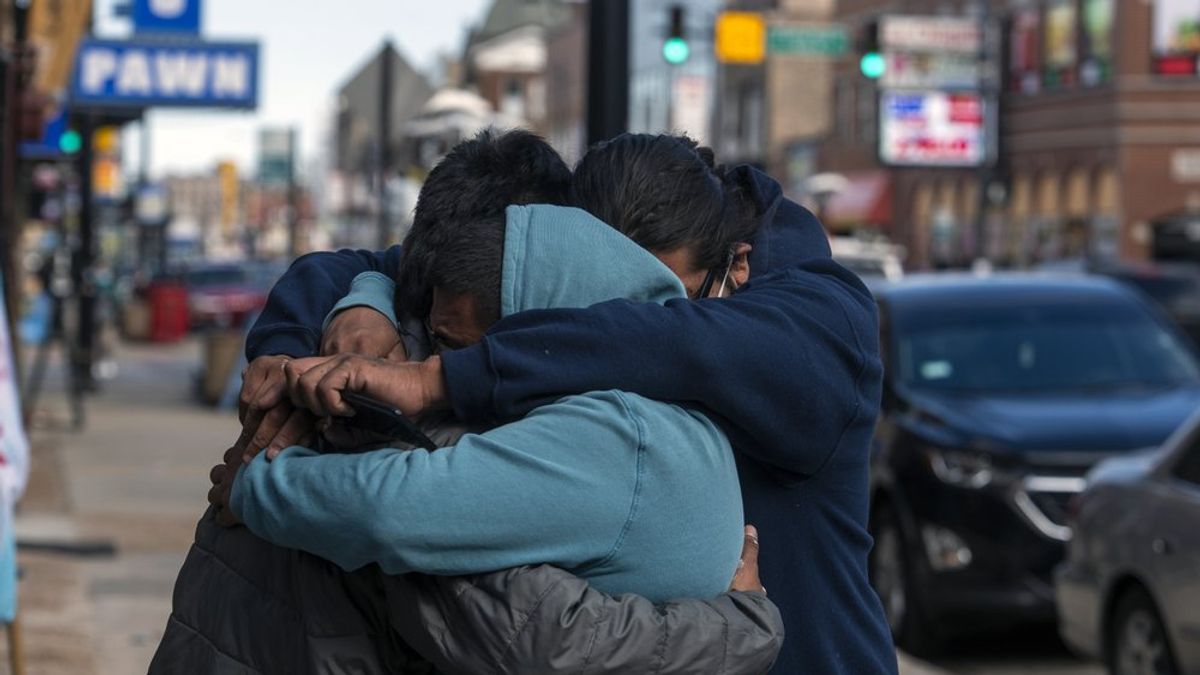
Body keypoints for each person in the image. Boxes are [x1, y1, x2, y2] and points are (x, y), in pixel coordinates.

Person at [243, 132, 898, 674]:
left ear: (739, 264)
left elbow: (668, 340)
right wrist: (362, 304)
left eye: (663, 291)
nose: (627, 303)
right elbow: (410, 259)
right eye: (598, 287)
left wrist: (442, 378)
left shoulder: (818, 323)